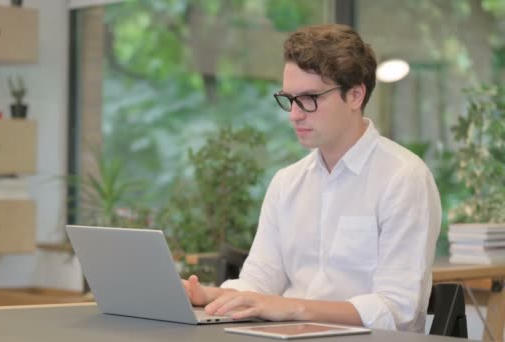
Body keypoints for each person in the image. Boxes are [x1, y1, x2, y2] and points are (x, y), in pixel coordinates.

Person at [182, 24, 441, 332]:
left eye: (309, 98)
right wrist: (210, 295)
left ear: (355, 95)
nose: (294, 114)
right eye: (289, 99)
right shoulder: (287, 182)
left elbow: (397, 310)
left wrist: (293, 308)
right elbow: (260, 280)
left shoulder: (403, 178)